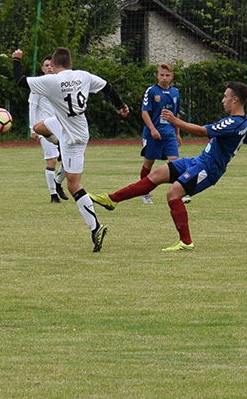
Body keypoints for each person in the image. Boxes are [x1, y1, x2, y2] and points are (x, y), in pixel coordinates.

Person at [90, 82, 247, 251]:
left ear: (235, 100)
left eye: (225, 96)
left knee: (173, 194)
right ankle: (112, 200)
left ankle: (186, 242)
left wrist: (175, 121)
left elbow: (202, 131)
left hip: (208, 168)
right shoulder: (246, 122)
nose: (223, 100)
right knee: (157, 174)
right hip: (199, 161)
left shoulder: (233, 123)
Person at [12, 46, 130, 252]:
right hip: (72, 126)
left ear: (53, 65)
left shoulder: (51, 81)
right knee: (39, 127)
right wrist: (120, 106)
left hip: (72, 138)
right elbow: (108, 88)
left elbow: (21, 81)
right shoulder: (83, 76)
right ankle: (56, 143)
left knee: (74, 186)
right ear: (71, 64)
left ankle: (96, 228)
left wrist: (16, 59)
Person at [140, 63, 182, 204]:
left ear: (172, 77)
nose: (164, 78)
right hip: (153, 135)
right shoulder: (151, 91)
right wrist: (153, 129)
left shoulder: (175, 92)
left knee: (176, 163)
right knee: (148, 163)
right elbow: (145, 112)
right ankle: (145, 193)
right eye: (162, 75)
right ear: (157, 76)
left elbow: (176, 115)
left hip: (169, 135)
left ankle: (179, 193)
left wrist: (177, 133)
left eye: (167, 75)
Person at [29, 55, 68, 204]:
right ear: (42, 68)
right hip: (44, 128)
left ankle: (57, 183)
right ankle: (53, 196)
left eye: (51, 65)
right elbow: (33, 107)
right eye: (46, 65)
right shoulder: (38, 86)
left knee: (68, 158)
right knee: (51, 160)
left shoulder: (60, 84)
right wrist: (32, 129)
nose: (49, 68)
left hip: (61, 127)